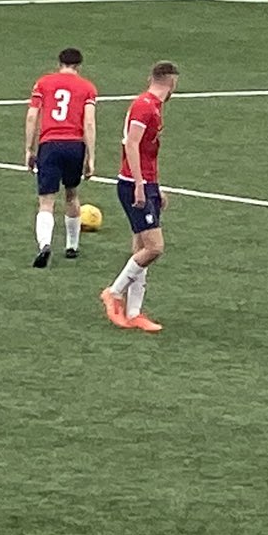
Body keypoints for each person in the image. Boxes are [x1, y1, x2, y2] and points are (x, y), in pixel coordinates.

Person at [102, 62, 179, 333]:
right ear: (172, 83)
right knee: (154, 247)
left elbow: (147, 153)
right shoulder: (145, 106)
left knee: (140, 249)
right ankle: (114, 292)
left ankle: (134, 313)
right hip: (134, 184)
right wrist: (139, 185)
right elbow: (131, 144)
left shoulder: (153, 106)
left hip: (146, 183)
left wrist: (154, 188)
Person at [25, 48, 98, 268]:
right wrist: (91, 156)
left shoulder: (44, 83)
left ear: (59, 63)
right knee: (71, 194)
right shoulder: (87, 88)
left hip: (50, 144)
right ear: (79, 66)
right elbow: (89, 123)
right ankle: (72, 246)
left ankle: (45, 244)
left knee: (46, 200)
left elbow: (31, 116)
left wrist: (29, 148)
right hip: (74, 145)